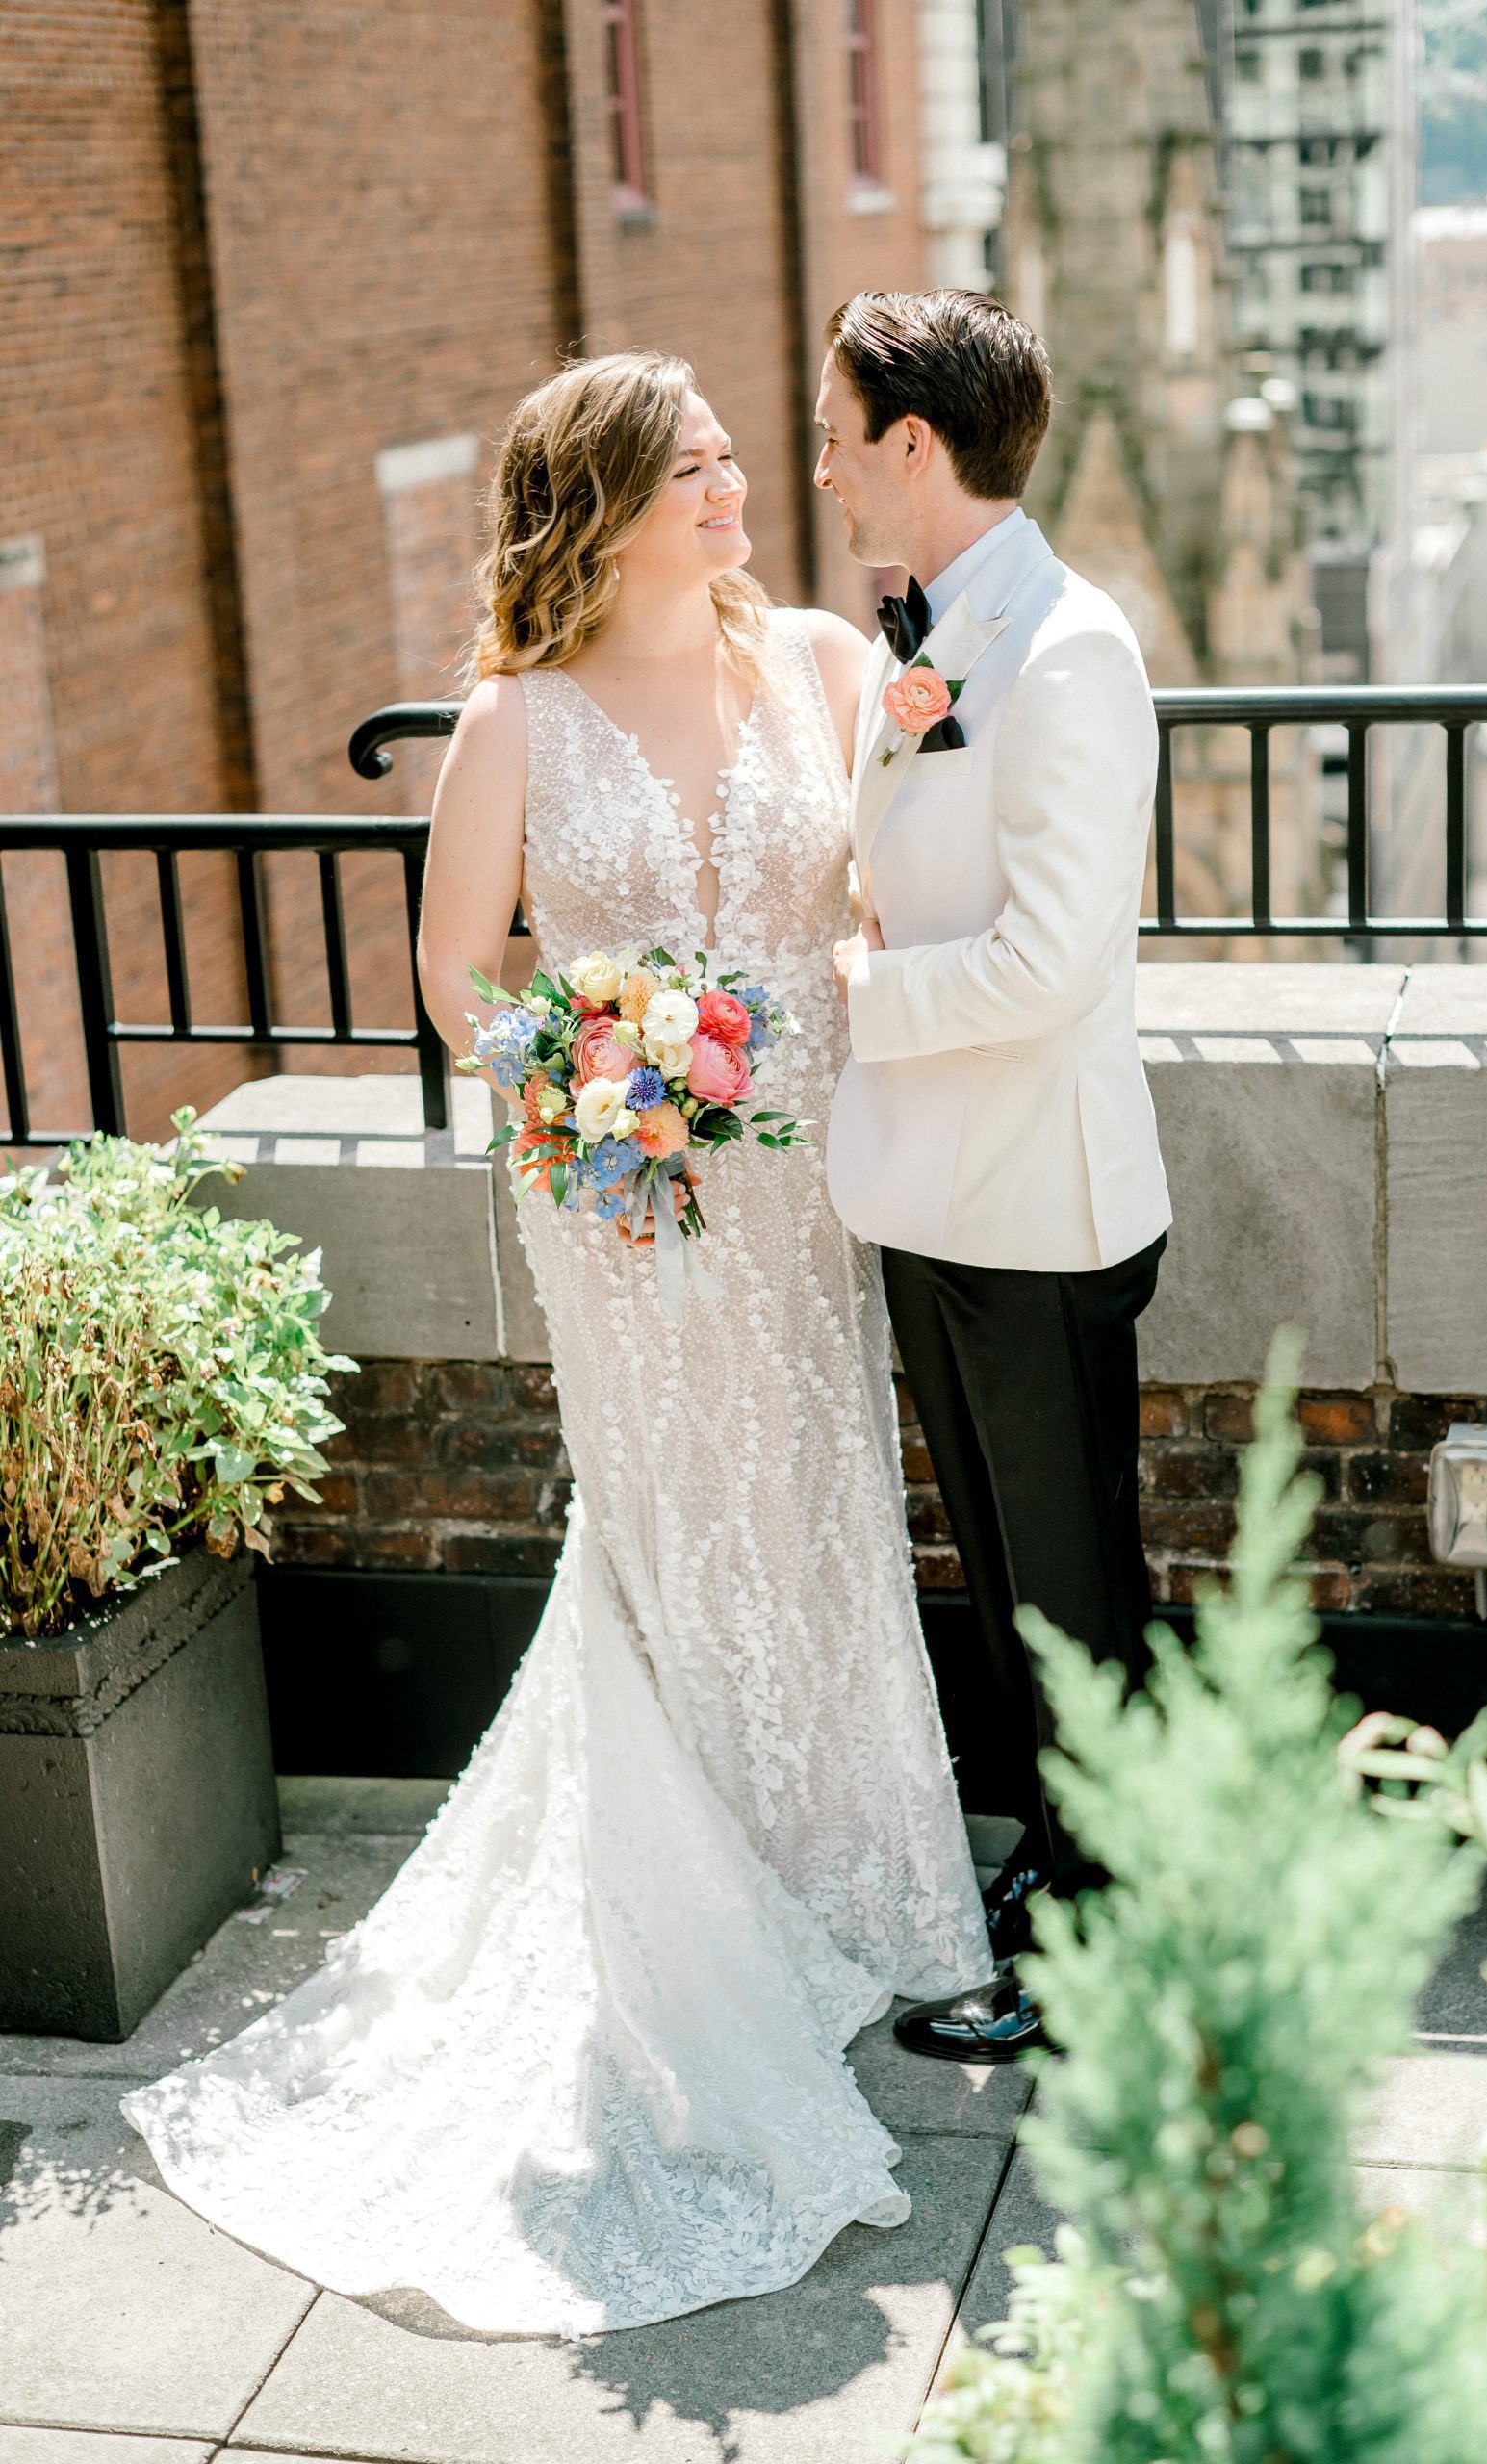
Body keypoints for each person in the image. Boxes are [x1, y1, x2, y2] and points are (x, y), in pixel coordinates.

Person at [123, 351, 990, 2339]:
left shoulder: (830, 674)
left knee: (816, 1497)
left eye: (728, 460)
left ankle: (846, 1889)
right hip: (625, 1200)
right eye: (692, 466)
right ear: (600, 502)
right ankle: (687, 1934)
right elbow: (452, 967)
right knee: (674, 1533)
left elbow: (884, 893)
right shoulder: (514, 716)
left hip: (804, 1187)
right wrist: (588, 1074)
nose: (733, 486)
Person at [821, 289, 1171, 2065]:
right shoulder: (936, 627)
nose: (821, 467)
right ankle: (1055, 1855)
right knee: (1003, 1577)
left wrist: (866, 998)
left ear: (913, 442)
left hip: (1038, 1205)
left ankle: (1105, 1944)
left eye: (834, 434)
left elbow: (1057, 963)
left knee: (1070, 1592)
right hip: (935, 1192)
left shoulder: (1069, 647)